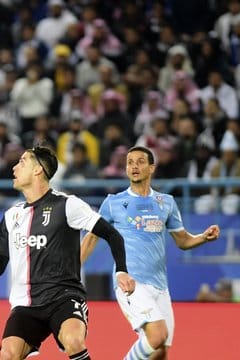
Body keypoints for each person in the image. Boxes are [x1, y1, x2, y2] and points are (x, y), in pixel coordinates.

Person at [0, 146, 135, 360]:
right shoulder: (11, 216)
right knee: (8, 354)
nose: (14, 167)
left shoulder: (67, 205)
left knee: (74, 342)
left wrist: (121, 271)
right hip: (25, 304)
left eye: (22, 162)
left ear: (38, 170)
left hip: (64, 298)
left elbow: (113, 235)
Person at [80, 145, 220, 360]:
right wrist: (70, 269)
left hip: (160, 286)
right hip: (131, 282)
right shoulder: (113, 202)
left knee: (160, 351)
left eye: (140, 162)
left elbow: (182, 240)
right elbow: (91, 239)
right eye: (129, 162)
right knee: (157, 335)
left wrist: (203, 237)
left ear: (152, 168)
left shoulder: (166, 202)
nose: (133, 166)